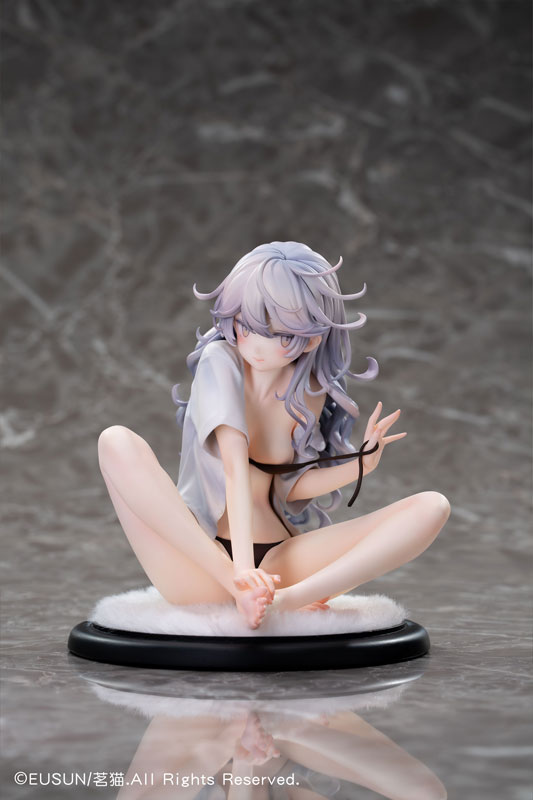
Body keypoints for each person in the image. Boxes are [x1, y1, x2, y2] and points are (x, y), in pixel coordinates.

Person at [97, 242, 450, 629]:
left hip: (280, 561)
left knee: (432, 507)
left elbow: (287, 486)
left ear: (312, 337)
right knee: (115, 441)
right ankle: (241, 589)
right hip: (204, 557)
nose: (257, 345)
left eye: (280, 334)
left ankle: (288, 600)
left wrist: (363, 464)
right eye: (246, 325)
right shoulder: (220, 361)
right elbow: (234, 467)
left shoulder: (308, 390)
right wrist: (240, 576)